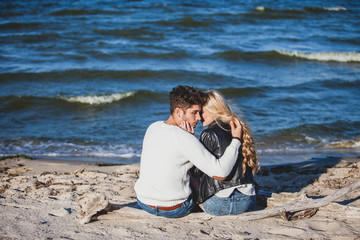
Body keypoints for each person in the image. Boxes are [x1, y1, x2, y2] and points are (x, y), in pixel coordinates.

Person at [134, 85, 243, 218]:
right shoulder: (184, 138)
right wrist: (236, 139)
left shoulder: (153, 127)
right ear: (179, 112)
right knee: (199, 177)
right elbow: (221, 173)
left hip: (143, 202)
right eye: (194, 112)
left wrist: (189, 138)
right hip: (174, 209)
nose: (199, 118)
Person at [189, 90, 260, 216]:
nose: (199, 117)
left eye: (201, 112)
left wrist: (189, 140)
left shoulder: (208, 134)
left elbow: (197, 172)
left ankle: (196, 204)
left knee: (190, 175)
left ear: (213, 110)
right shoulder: (238, 128)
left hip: (218, 205)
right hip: (247, 201)